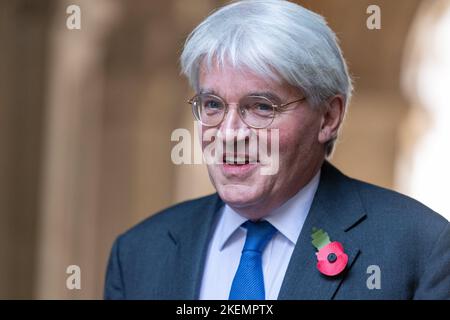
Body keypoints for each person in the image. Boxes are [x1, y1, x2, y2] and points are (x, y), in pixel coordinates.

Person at [104, 0, 449, 300]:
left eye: (261, 107)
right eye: (212, 105)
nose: (229, 133)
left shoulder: (419, 249)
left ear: (328, 117)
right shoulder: (137, 254)